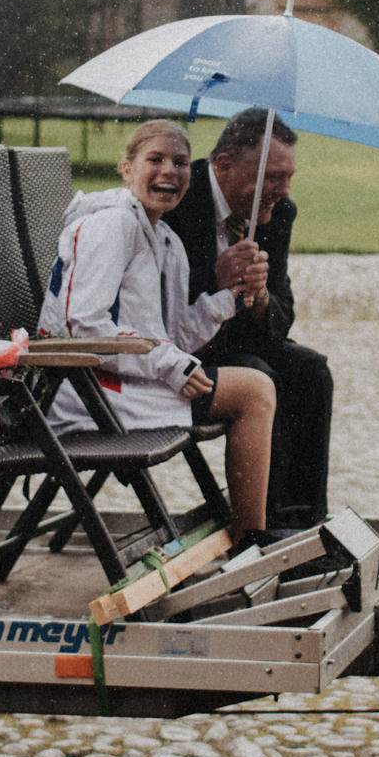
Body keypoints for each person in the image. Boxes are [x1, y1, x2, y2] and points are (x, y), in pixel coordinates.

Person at [40, 119, 279, 546]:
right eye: (155, 159)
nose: (170, 171)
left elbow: (174, 335)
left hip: (122, 382)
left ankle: (249, 533)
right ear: (127, 169)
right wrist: (171, 366)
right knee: (254, 391)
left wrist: (229, 296)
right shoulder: (112, 225)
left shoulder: (165, 241)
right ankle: (251, 542)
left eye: (181, 162)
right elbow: (81, 326)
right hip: (83, 391)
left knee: (255, 389)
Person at [164, 108, 336, 534]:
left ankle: (300, 524)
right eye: (273, 177)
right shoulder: (176, 201)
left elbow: (283, 316)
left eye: (289, 176)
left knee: (310, 370)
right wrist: (216, 280)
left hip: (235, 343)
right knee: (260, 374)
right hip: (177, 353)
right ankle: (260, 528)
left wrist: (259, 298)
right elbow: (153, 303)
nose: (283, 190)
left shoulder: (278, 212)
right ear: (223, 166)